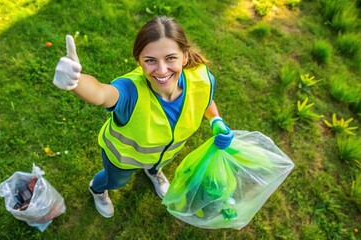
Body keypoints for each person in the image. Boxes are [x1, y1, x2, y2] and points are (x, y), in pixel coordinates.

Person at [53, 16, 234, 218]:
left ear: (184, 56)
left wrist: (215, 119)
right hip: (122, 160)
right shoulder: (130, 91)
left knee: (157, 165)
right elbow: (101, 94)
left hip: (164, 153)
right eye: (150, 61)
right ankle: (97, 189)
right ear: (139, 61)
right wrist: (76, 82)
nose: (162, 70)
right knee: (115, 182)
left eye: (170, 58)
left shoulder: (202, 78)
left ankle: (154, 172)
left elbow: (205, 99)